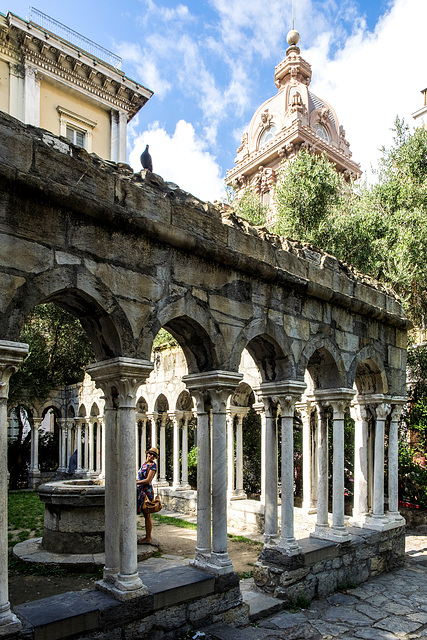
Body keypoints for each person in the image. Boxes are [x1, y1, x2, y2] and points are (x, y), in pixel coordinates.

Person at [136, 446, 158, 544]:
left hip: (146, 491)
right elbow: (140, 478)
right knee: (144, 513)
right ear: (147, 454)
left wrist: (135, 482)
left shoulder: (153, 466)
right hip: (140, 490)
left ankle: (148, 537)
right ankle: (147, 537)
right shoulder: (145, 464)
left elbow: (148, 480)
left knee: (147, 514)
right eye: (150, 453)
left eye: (154, 455)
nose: (151, 456)